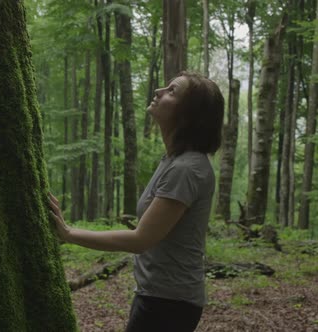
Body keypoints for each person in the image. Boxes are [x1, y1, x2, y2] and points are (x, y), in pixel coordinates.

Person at [48, 71, 224, 332]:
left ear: (189, 114)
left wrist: (69, 233)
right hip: (159, 297)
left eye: (171, 91)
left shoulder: (186, 168)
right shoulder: (174, 161)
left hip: (169, 304)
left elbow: (141, 239)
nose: (158, 91)